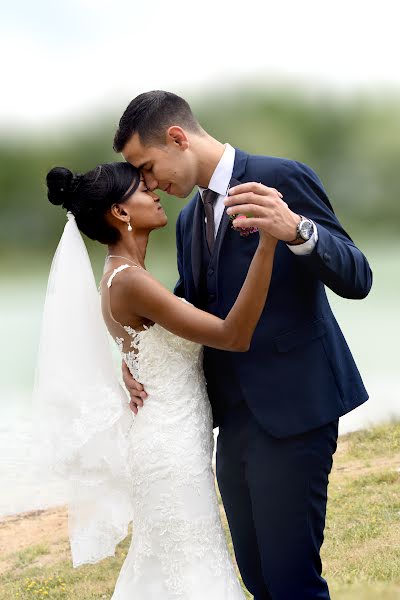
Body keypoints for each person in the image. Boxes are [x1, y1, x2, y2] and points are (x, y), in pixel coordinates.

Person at [114, 90, 373, 600]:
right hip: (231, 424)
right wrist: (134, 354)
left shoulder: (282, 177)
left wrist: (298, 230)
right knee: (255, 579)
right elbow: (194, 311)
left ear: (177, 138)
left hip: (296, 409)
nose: (147, 183)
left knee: (292, 582)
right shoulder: (188, 221)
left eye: (146, 166)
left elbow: (358, 276)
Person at [43, 160, 278, 599]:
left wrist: (130, 366)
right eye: (141, 189)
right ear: (121, 212)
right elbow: (233, 334)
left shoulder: (124, 277)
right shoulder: (131, 281)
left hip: (172, 439)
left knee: (175, 567)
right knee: (190, 571)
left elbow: (149, 345)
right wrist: (268, 243)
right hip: (170, 450)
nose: (154, 191)